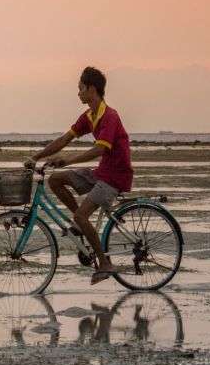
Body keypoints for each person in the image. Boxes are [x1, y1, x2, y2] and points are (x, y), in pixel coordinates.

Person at [24, 66, 133, 284]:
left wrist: (68, 160)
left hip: (115, 178)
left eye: (80, 88)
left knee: (82, 216)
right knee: (56, 179)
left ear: (92, 89)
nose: (78, 93)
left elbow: (99, 149)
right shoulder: (89, 116)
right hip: (100, 173)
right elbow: (64, 139)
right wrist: (36, 157)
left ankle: (105, 263)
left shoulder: (110, 116)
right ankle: (79, 226)